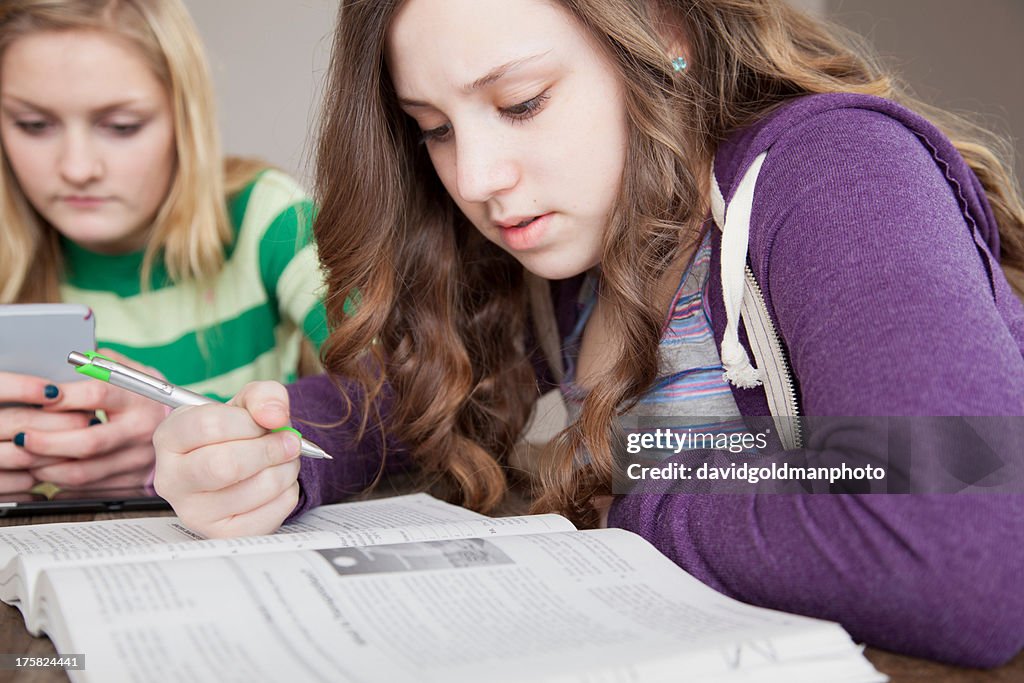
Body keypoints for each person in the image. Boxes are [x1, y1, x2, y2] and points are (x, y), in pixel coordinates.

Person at [152, 0, 1024, 667]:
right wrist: (263, 448)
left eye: (522, 103)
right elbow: (412, 401)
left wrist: (632, 505)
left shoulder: (833, 171)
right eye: (436, 130)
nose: (480, 178)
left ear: (662, 28)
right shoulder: (572, 261)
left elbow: (966, 554)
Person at [0, 0, 328, 493]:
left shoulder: (266, 218)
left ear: (185, 119)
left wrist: (169, 452)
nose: (77, 168)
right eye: (33, 125)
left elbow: (405, 384)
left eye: (121, 127)